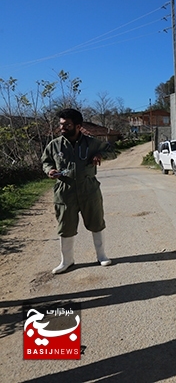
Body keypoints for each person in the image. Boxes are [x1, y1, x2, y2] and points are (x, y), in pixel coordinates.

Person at [41, 108, 115, 274]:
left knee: (96, 223)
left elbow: (112, 151)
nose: (62, 128)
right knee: (65, 227)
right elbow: (45, 161)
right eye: (61, 124)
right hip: (64, 191)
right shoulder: (55, 145)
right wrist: (49, 170)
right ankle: (66, 261)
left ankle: (101, 255)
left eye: (67, 124)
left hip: (89, 189)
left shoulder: (91, 142)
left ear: (78, 126)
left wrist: (101, 155)